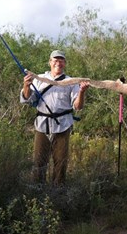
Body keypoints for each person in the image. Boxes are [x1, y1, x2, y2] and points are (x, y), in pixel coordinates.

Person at [21, 50, 89, 185]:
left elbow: (78, 106)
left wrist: (81, 92)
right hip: (42, 125)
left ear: (65, 63)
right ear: (50, 62)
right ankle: (38, 189)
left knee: (61, 161)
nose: (58, 63)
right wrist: (26, 85)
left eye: (61, 60)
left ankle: (58, 191)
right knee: (39, 161)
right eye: (55, 60)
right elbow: (27, 98)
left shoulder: (71, 82)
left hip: (63, 125)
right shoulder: (38, 78)